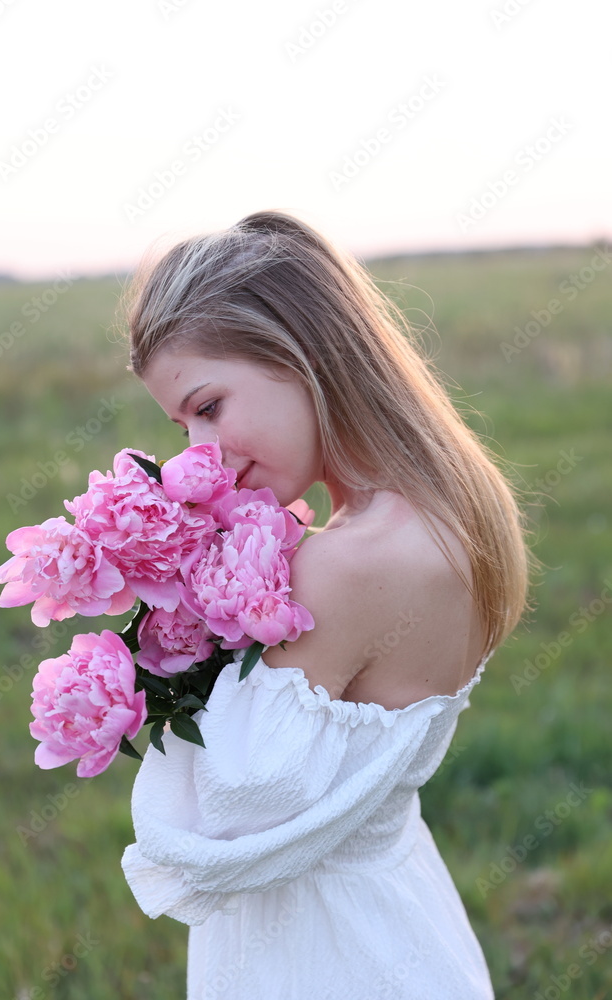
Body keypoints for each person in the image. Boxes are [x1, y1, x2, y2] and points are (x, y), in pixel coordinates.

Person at [119, 210, 540, 998]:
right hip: (404, 918)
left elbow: (225, 819)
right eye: (179, 427)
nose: (194, 458)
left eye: (208, 407)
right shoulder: (446, 509)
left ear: (301, 354)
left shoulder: (344, 565)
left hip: (323, 955)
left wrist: (154, 647)